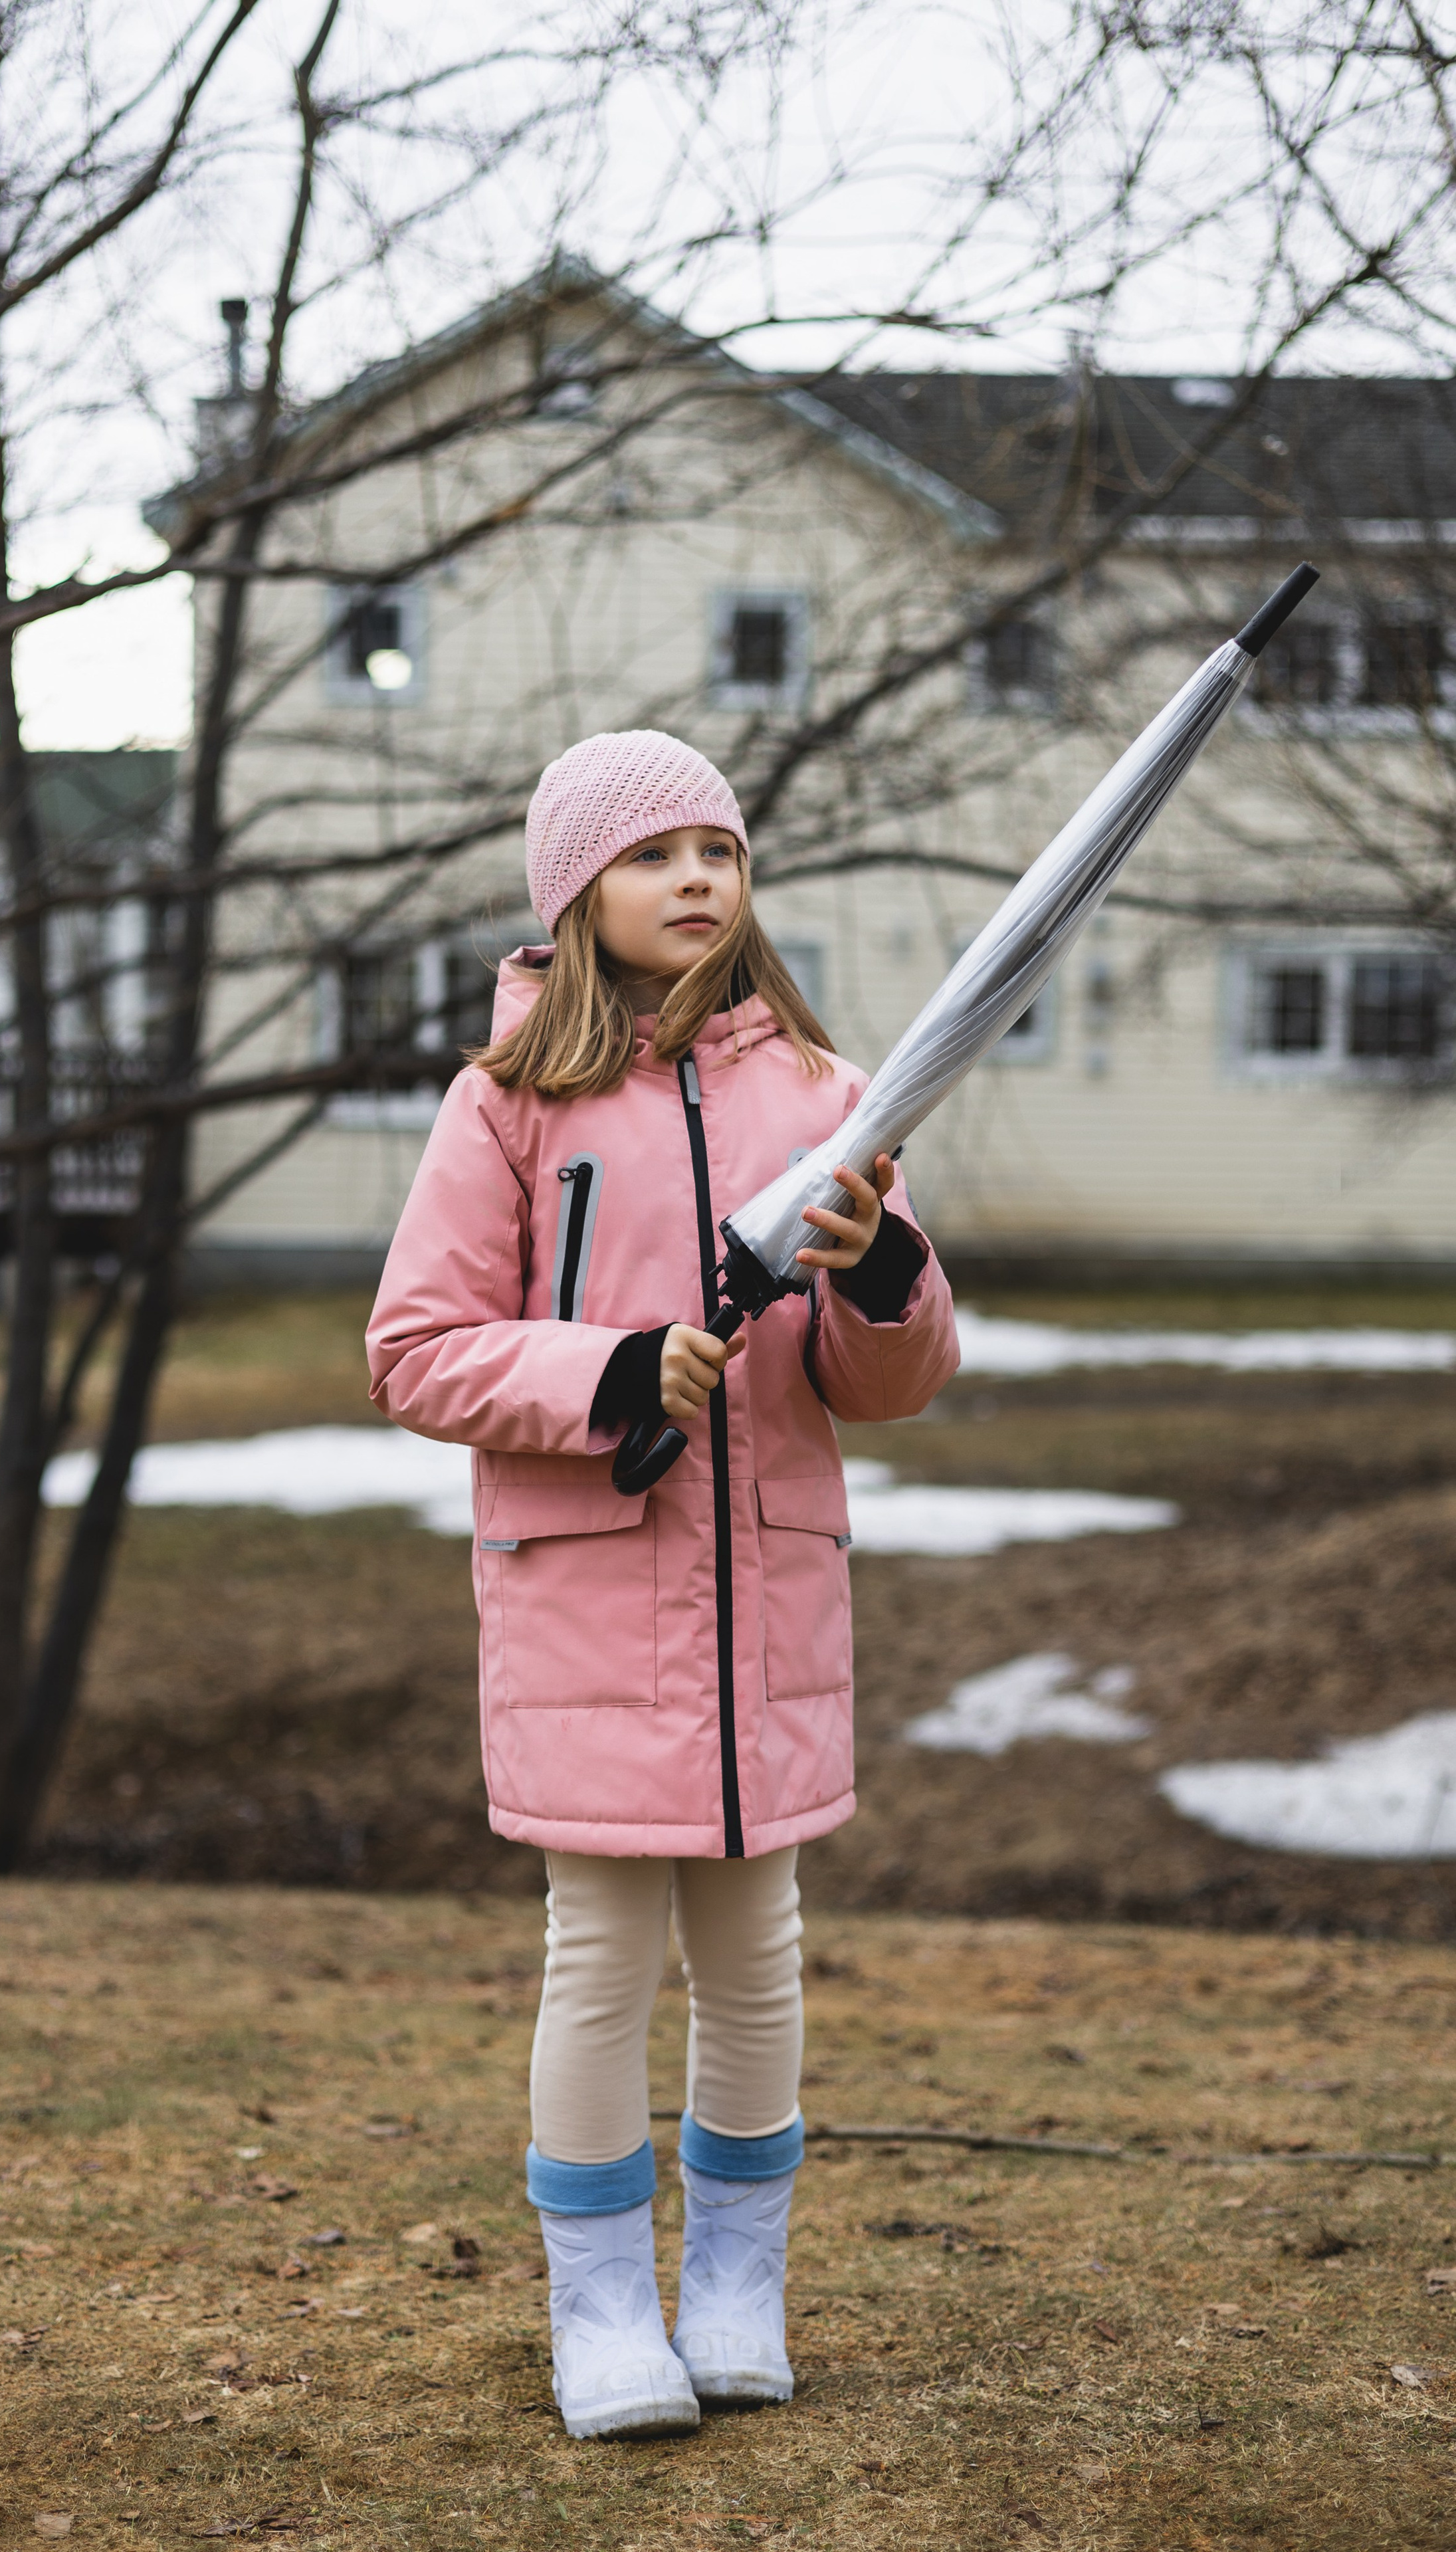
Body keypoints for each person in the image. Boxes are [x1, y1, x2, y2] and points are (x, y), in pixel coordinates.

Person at [367, 730, 960, 2440]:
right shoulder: (505, 1104)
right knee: (602, 1959)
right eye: (652, 854)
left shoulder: (833, 1097)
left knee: (758, 1957)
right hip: (588, 1602)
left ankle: (734, 2292)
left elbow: (888, 1378)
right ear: (577, 892)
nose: (696, 878)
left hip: (768, 1605)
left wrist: (883, 1272)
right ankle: (604, 2312)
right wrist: (610, 1371)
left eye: (718, 849)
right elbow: (417, 1349)